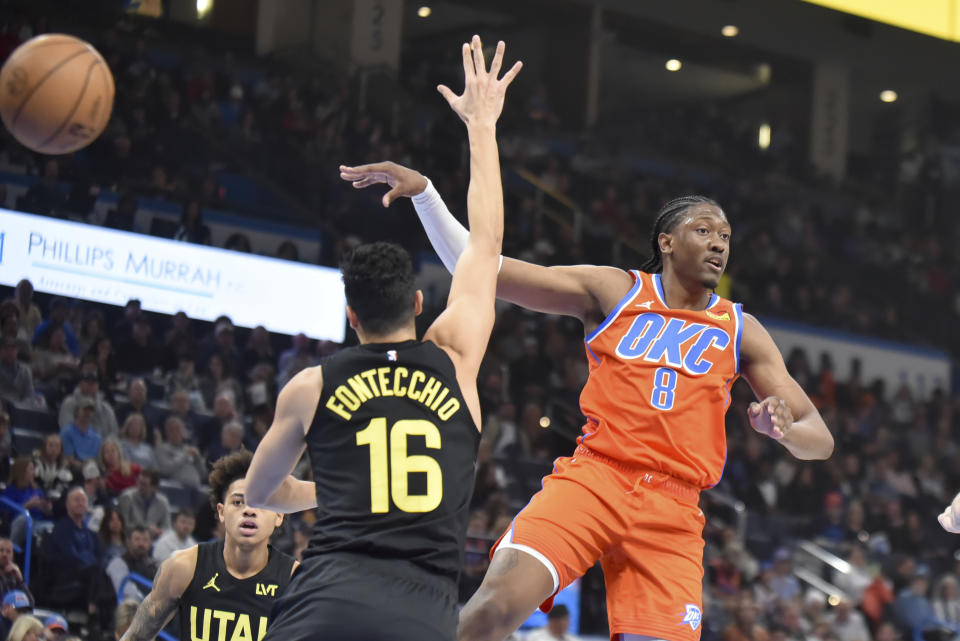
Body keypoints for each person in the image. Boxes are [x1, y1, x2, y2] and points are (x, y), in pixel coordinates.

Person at [342, 134, 833, 641]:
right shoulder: (614, 291)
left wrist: (783, 433)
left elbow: (819, 437)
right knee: (493, 609)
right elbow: (485, 269)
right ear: (666, 242)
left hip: (674, 506)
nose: (718, 244)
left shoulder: (740, 329)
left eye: (726, 237)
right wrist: (426, 195)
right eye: (704, 230)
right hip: (597, 477)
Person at [243, 35, 520, 641]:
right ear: (420, 304)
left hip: (324, 598)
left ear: (350, 316)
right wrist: (481, 125)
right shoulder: (456, 356)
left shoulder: (310, 386)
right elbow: (486, 244)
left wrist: (342, 490)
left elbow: (259, 494)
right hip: (420, 608)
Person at [118, 451, 296, 641]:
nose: (249, 511)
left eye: (261, 503)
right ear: (221, 512)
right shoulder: (183, 567)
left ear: (279, 515)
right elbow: (135, 637)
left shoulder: (297, 581)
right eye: (238, 502)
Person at [116, 469, 170, 538]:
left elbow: (167, 527)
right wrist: (147, 529)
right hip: (130, 539)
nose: (139, 486)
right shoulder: (127, 498)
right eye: (138, 482)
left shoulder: (163, 502)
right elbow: (122, 525)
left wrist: (159, 531)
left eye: (144, 484)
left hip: (155, 540)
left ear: (154, 487)